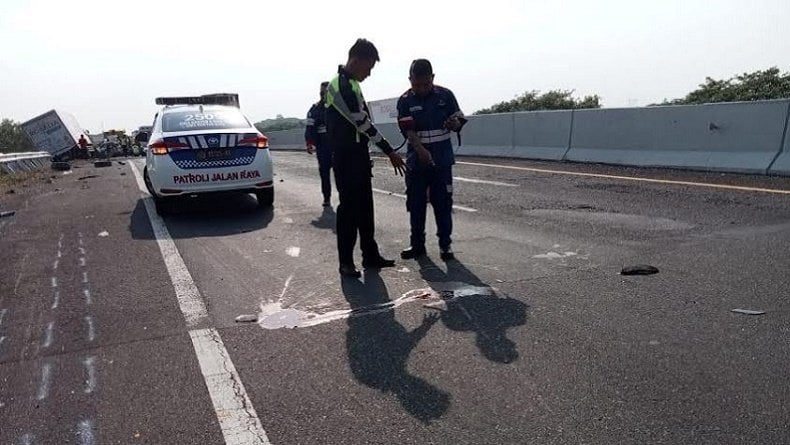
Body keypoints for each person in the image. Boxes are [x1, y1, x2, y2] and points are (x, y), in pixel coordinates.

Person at [325, 38, 407, 278]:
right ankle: (346, 262)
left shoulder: (352, 83)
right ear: (356, 60)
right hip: (345, 156)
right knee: (349, 211)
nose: (369, 74)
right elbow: (363, 124)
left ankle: (370, 255)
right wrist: (389, 150)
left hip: (357, 155)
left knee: (365, 208)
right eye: (368, 68)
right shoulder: (342, 86)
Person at [397, 59, 466, 261]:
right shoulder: (405, 101)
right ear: (410, 80)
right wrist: (420, 150)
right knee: (416, 203)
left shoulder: (445, 95)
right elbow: (408, 130)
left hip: (442, 160)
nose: (421, 89)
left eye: (425, 84)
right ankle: (417, 245)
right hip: (417, 161)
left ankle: (445, 245)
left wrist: (455, 124)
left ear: (432, 78)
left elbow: (460, 119)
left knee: (443, 203)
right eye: (416, 85)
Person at [305, 82, 333, 206]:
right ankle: (326, 197)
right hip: (323, 147)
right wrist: (309, 143)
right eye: (321, 93)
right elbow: (310, 127)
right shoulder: (315, 109)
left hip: (339, 146)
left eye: (326, 92)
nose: (323, 95)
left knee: (343, 173)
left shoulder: (338, 107)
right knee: (324, 173)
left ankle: (346, 198)